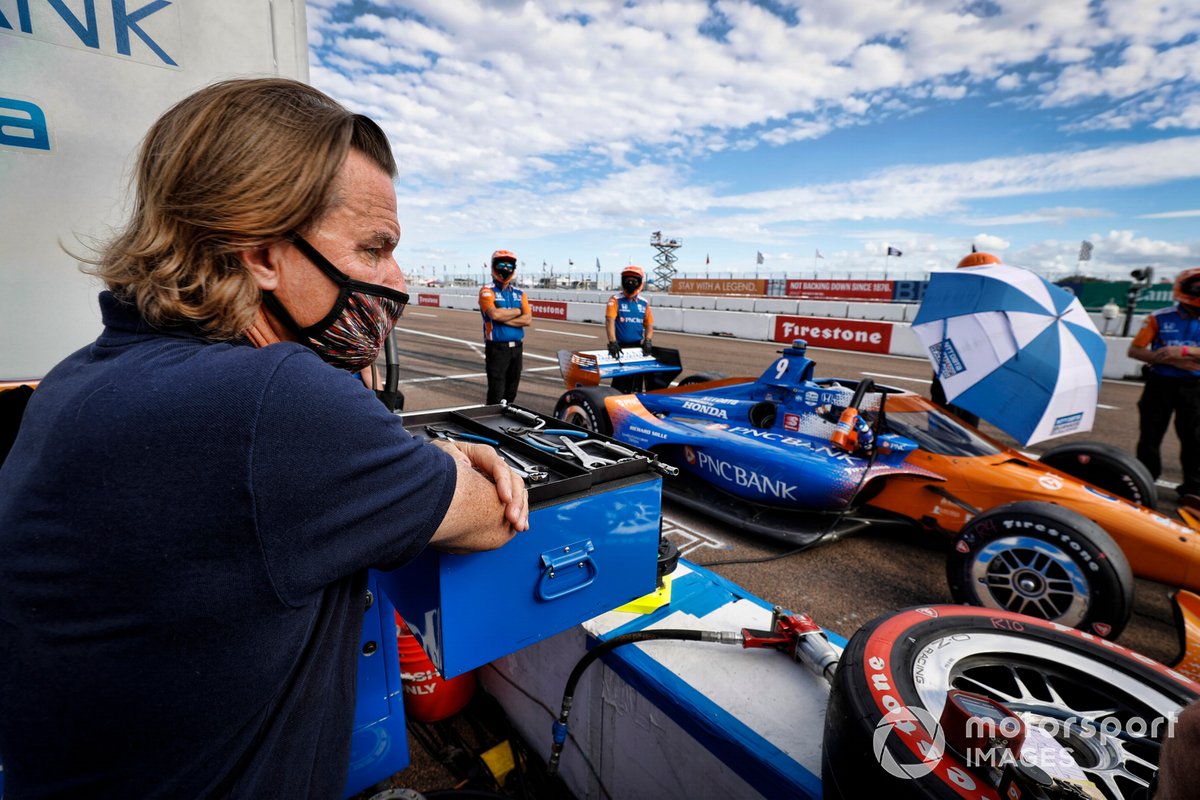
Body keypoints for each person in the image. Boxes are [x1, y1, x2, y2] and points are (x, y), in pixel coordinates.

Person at [0, 78, 528, 798]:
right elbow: (492, 514)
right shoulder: (274, 403)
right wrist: (438, 458)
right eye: (374, 248)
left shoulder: (79, 376)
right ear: (259, 252)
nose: (395, 279)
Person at [1128, 268, 1200, 501]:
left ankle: (1194, 488)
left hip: (1195, 387)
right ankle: (1145, 480)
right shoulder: (1158, 317)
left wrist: (1184, 351)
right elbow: (1135, 350)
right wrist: (1172, 361)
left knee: (1194, 438)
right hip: (1160, 384)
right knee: (1150, 436)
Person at [928, 250, 997, 429]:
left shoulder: (949, 301)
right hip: (957, 375)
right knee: (953, 431)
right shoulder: (993, 306)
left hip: (958, 375)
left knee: (954, 431)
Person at [478, 249, 531, 405]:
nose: (505, 269)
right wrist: (517, 311)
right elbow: (494, 315)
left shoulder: (520, 293)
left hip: (517, 348)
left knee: (511, 391)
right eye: (501, 264)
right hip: (497, 349)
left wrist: (504, 317)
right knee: (496, 393)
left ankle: (507, 424)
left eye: (509, 265)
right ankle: (489, 424)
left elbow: (527, 319)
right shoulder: (487, 291)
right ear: (494, 266)